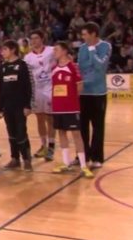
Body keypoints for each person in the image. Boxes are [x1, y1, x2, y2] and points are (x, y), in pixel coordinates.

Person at [51, 42, 94, 179]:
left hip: (71, 107)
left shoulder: (72, 66)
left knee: (76, 134)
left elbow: (79, 86)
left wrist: (71, 100)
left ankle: (83, 165)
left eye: (56, 49)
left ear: (64, 51)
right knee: (61, 133)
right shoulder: (54, 68)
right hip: (57, 108)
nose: (54, 52)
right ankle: (65, 163)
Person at [77, 22, 111, 169]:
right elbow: (82, 66)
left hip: (98, 93)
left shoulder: (106, 46)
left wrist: (92, 50)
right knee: (82, 126)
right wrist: (92, 62)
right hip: (84, 92)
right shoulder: (81, 48)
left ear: (93, 34)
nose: (82, 37)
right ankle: (83, 156)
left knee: (98, 126)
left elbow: (100, 67)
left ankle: (97, 157)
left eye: (85, 34)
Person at [0, 40, 33, 171]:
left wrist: (28, 105)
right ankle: (15, 158)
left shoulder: (22, 65)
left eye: (5, 49)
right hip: (7, 106)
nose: (2, 52)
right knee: (11, 133)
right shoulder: (3, 67)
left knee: (21, 132)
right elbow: (1, 88)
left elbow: (28, 86)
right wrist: (0, 108)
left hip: (20, 106)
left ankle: (26, 159)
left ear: (13, 50)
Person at [24, 30, 56, 161]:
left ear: (42, 38)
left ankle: (52, 146)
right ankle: (43, 146)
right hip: (36, 89)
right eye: (32, 39)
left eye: (36, 38)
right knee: (39, 118)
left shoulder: (52, 50)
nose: (34, 41)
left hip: (50, 87)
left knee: (50, 118)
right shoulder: (27, 57)